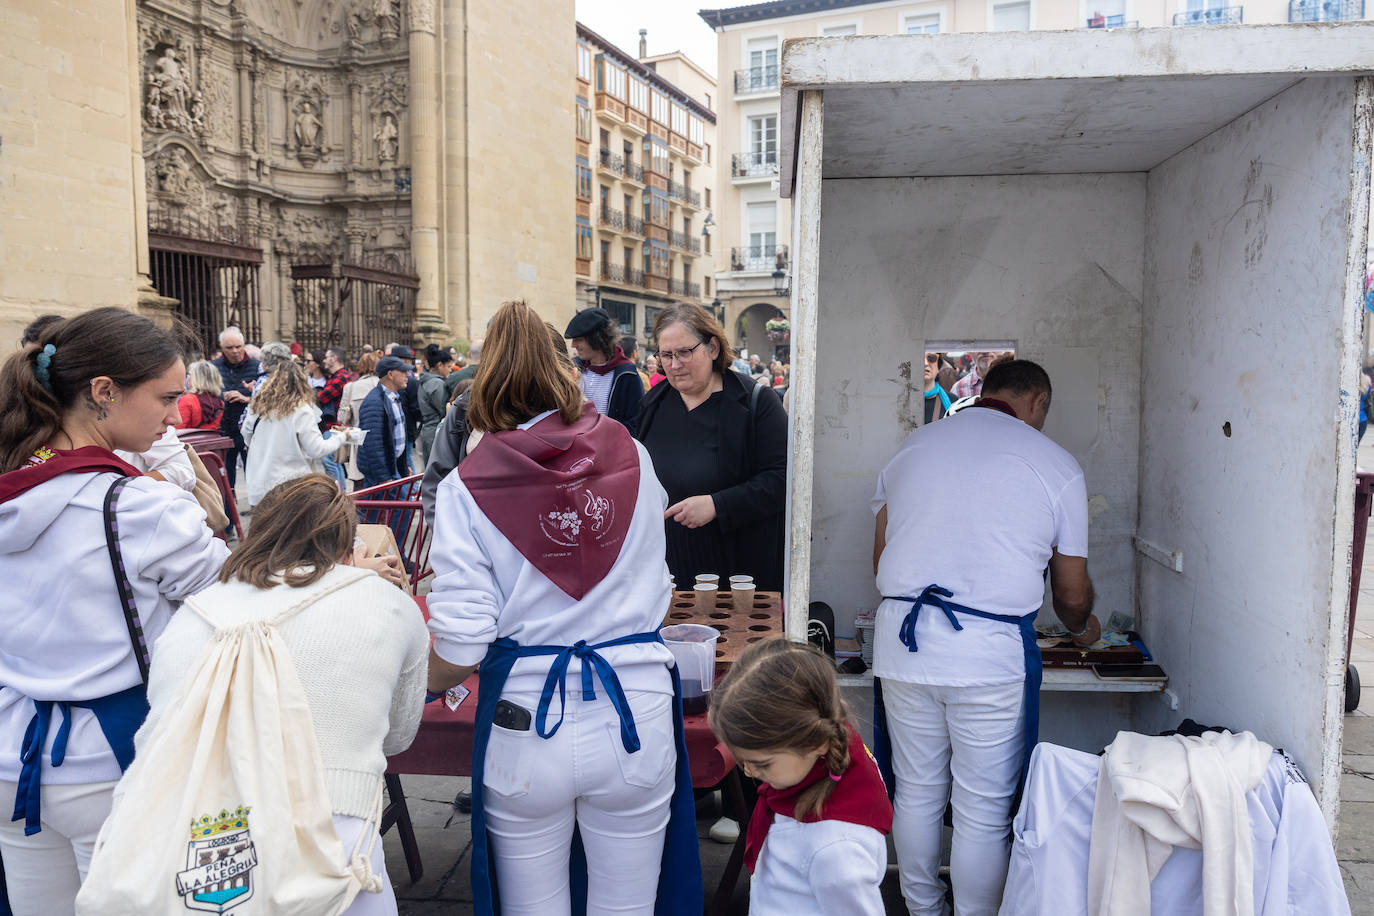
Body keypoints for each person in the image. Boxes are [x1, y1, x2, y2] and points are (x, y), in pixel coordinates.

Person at [425, 300, 700, 915]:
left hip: (526, 717)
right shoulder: (632, 451)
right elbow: (659, 571)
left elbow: (463, 641)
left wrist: (405, 684)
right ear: (566, 372)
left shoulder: (464, 486)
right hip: (636, 704)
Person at [0, 308, 229, 915]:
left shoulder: (13, 486)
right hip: (114, 758)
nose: (175, 415)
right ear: (103, 393)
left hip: (8, 754)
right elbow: (232, 606)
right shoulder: (142, 508)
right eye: (165, 396)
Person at [134, 474, 427, 916]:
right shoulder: (381, 599)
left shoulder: (194, 611)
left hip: (196, 828)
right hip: (330, 821)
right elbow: (398, 737)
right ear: (349, 546)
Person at [870, 359, 1099, 916]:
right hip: (988, 654)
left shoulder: (912, 447)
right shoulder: (1057, 464)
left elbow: (880, 560)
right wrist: (1085, 628)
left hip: (904, 645)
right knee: (983, 810)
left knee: (917, 790)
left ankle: (924, 910)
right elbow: (1070, 597)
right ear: (1038, 401)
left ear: (985, 391)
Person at [709, 639, 893, 916]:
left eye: (763, 763)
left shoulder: (836, 852)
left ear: (817, 742)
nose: (748, 771)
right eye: (742, 761)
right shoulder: (821, 763)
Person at [636, 303, 788, 591]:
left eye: (684, 352)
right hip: (670, 573)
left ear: (713, 348)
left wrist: (717, 505)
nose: (674, 364)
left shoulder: (756, 402)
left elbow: (780, 479)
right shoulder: (652, 404)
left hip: (738, 572)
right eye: (666, 355)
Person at [241, 360, 349, 509]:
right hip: (290, 487)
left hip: (259, 485)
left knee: (266, 530)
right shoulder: (301, 410)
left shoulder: (257, 406)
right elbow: (316, 449)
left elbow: (246, 436)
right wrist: (342, 437)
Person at [564, 307, 644, 435]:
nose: (573, 345)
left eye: (578, 339)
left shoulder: (627, 374)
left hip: (610, 450)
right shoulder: (572, 368)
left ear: (596, 338)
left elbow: (636, 422)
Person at [211, 326, 260, 491]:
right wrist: (221, 396)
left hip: (249, 429)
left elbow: (267, 399)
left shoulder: (257, 366)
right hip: (224, 428)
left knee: (253, 472)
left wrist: (245, 398)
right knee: (225, 474)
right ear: (221, 348)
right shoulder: (213, 367)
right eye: (229, 348)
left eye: (238, 346)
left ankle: (257, 506)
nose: (235, 351)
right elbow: (206, 393)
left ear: (244, 345)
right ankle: (229, 510)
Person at [356, 356, 411, 488]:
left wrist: (403, 466)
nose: (407, 375)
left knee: (380, 507)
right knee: (401, 507)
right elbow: (372, 443)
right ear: (390, 374)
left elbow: (397, 437)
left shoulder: (393, 398)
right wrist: (383, 477)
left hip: (391, 467)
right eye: (403, 372)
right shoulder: (374, 402)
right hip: (383, 472)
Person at [338, 351, 381, 489]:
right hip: (380, 440)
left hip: (358, 441)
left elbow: (342, 418)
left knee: (360, 487)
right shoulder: (382, 385)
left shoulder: (350, 387)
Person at [417, 344, 453, 463]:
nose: (450, 369)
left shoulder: (425, 379)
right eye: (448, 366)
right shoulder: (437, 383)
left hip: (427, 429)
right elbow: (443, 409)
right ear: (439, 365)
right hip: (435, 430)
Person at [176, 359, 225, 431]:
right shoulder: (220, 403)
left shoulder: (187, 400)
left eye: (189, 374)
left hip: (187, 441)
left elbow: (176, 430)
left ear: (195, 379)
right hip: (208, 441)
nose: (187, 378)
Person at [922, 352, 952, 425]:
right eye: (919, 358)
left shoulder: (953, 401)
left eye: (931, 358)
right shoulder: (898, 400)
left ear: (938, 367)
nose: (925, 363)